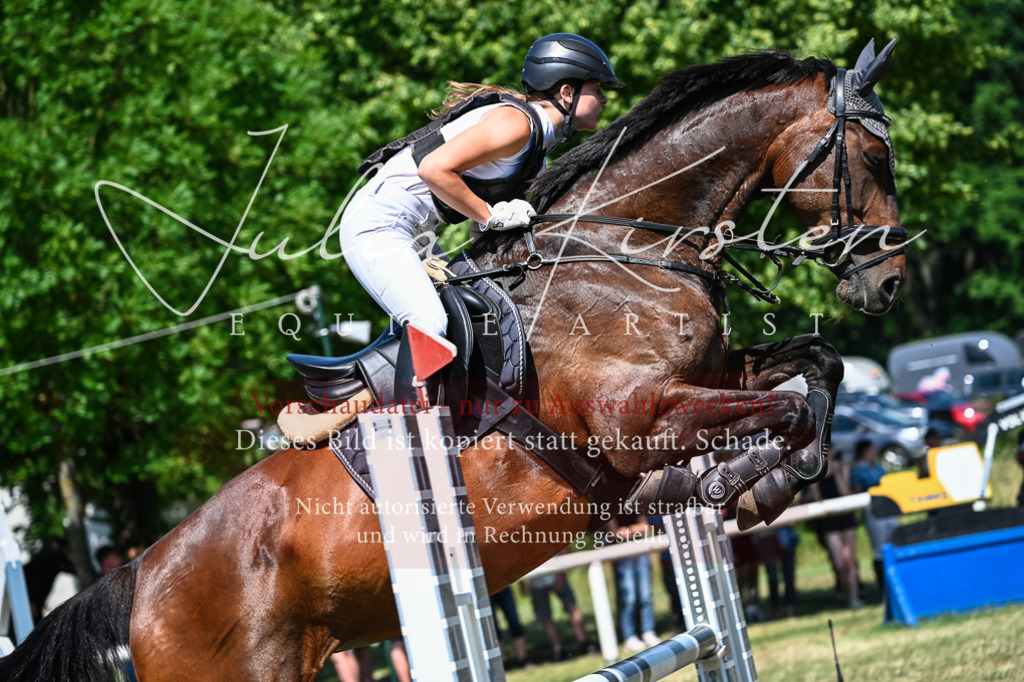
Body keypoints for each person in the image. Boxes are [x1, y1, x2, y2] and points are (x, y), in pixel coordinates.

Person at [338, 34, 621, 403]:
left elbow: (483, 229)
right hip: (378, 227)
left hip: (416, 234)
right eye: (596, 88)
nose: (602, 99)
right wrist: (491, 216)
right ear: (567, 93)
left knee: (473, 315)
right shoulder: (517, 125)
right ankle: (408, 433)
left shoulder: (538, 146)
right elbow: (433, 168)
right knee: (430, 323)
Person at [811, 447, 862, 609]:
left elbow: (845, 494)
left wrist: (838, 473)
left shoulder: (843, 467)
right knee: (839, 562)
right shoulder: (813, 471)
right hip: (828, 520)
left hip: (846, 517)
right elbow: (816, 498)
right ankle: (846, 592)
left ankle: (854, 597)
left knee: (849, 560)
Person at [850, 439, 899, 595]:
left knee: (895, 542)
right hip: (873, 512)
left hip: (888, 508)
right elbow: (857, 491)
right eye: (872, 449)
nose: (875, 451)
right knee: (879, 549)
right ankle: (883, 587)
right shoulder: (858, 471)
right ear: (865, 451)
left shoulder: (879, 467)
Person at [607, 514, 658, 651]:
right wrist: (635, 530)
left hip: (640, 552)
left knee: (646, 595)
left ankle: (648, 632)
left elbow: (645, 527)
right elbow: (616, 534)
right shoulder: (610, 504)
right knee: (629, 599)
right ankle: (630, 636)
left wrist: (627, 531)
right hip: (622, 555)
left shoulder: (635, 502)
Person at [527, 568, 592, 662]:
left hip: (555, 574)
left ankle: (584, 643)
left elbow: (564, 553)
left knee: (572, 608)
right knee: (545, 618)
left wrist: (561, 574)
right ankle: (558, 651)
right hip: (535, 582)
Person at [490, 585, 528, 667]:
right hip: (487, 591)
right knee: (492, 627)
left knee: (514, 622)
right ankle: (502, 663)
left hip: (504, 588)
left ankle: (523, 659)